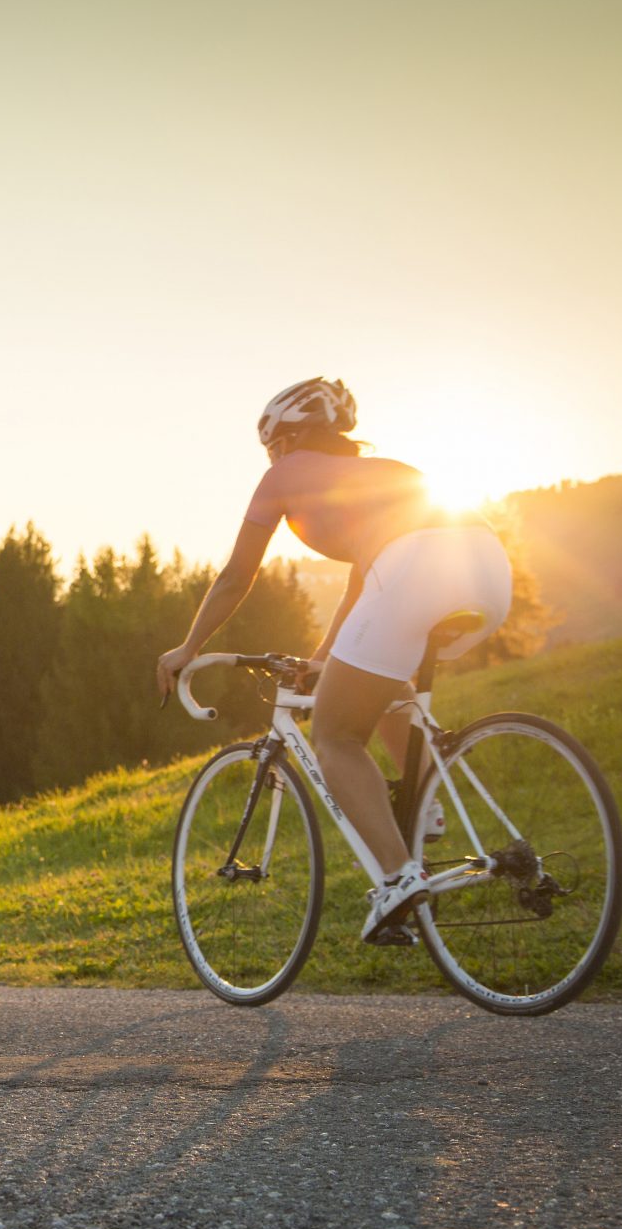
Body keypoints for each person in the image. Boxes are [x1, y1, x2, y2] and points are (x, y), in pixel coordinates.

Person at [154, 377, 512, 942]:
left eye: (272, 445)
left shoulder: (285, 474)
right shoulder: (380, 475)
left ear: (290, 439)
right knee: (385, 686)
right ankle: (426, 809)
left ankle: (398, 878)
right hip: (487, 566)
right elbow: (360, 591)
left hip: (412, 568)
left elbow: (235, 576)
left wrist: (188, 646)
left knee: (336, 737)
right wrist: (322, 659)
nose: (271, 457)